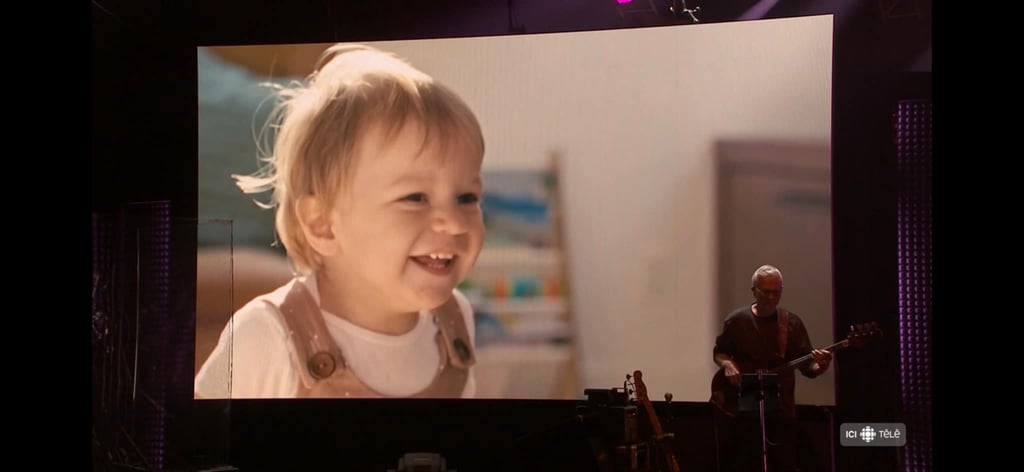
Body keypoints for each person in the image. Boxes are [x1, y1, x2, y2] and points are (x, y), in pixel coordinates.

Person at [194, 43, 486, 398]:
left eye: (467, 198)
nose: (455, 223)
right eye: (415, 198)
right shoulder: (268, 336)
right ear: (323, 225)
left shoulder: (455, 321)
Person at [709, 264, 832, 472]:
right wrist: (728, 364)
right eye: (766, 292)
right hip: (741, 413)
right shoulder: (737, 321)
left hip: (781, 413)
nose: (771, 297)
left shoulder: (791, 324)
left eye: (776, 292)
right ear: (754, 291)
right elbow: (719, 353)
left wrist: (821, 364)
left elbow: (808, 368)